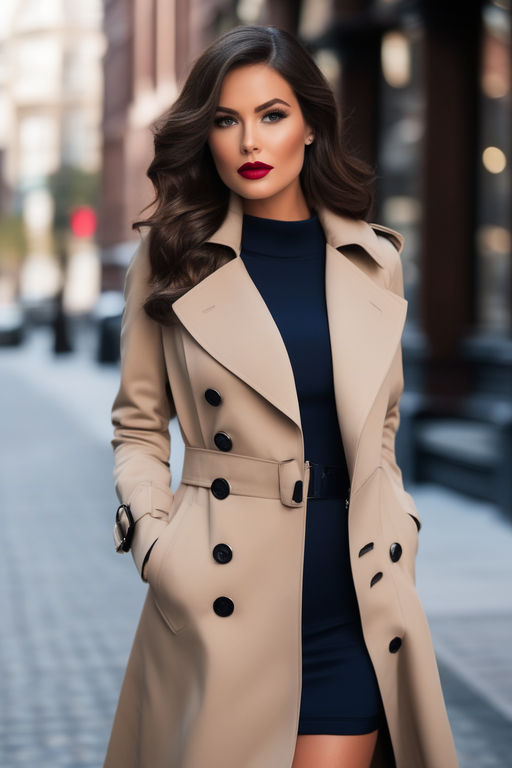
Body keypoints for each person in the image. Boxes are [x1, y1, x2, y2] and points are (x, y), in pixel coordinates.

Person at [104, 24, 459, 768]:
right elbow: (139, 428)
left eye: (271, 114)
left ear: (309, 127)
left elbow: (381, 427)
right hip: (221, 597)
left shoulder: (374, 261)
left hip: (354, 598)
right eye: (226, 120)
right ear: (205, 136)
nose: (248, 141)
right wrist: (157, 544)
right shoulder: (170, 259)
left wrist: (404, 521)